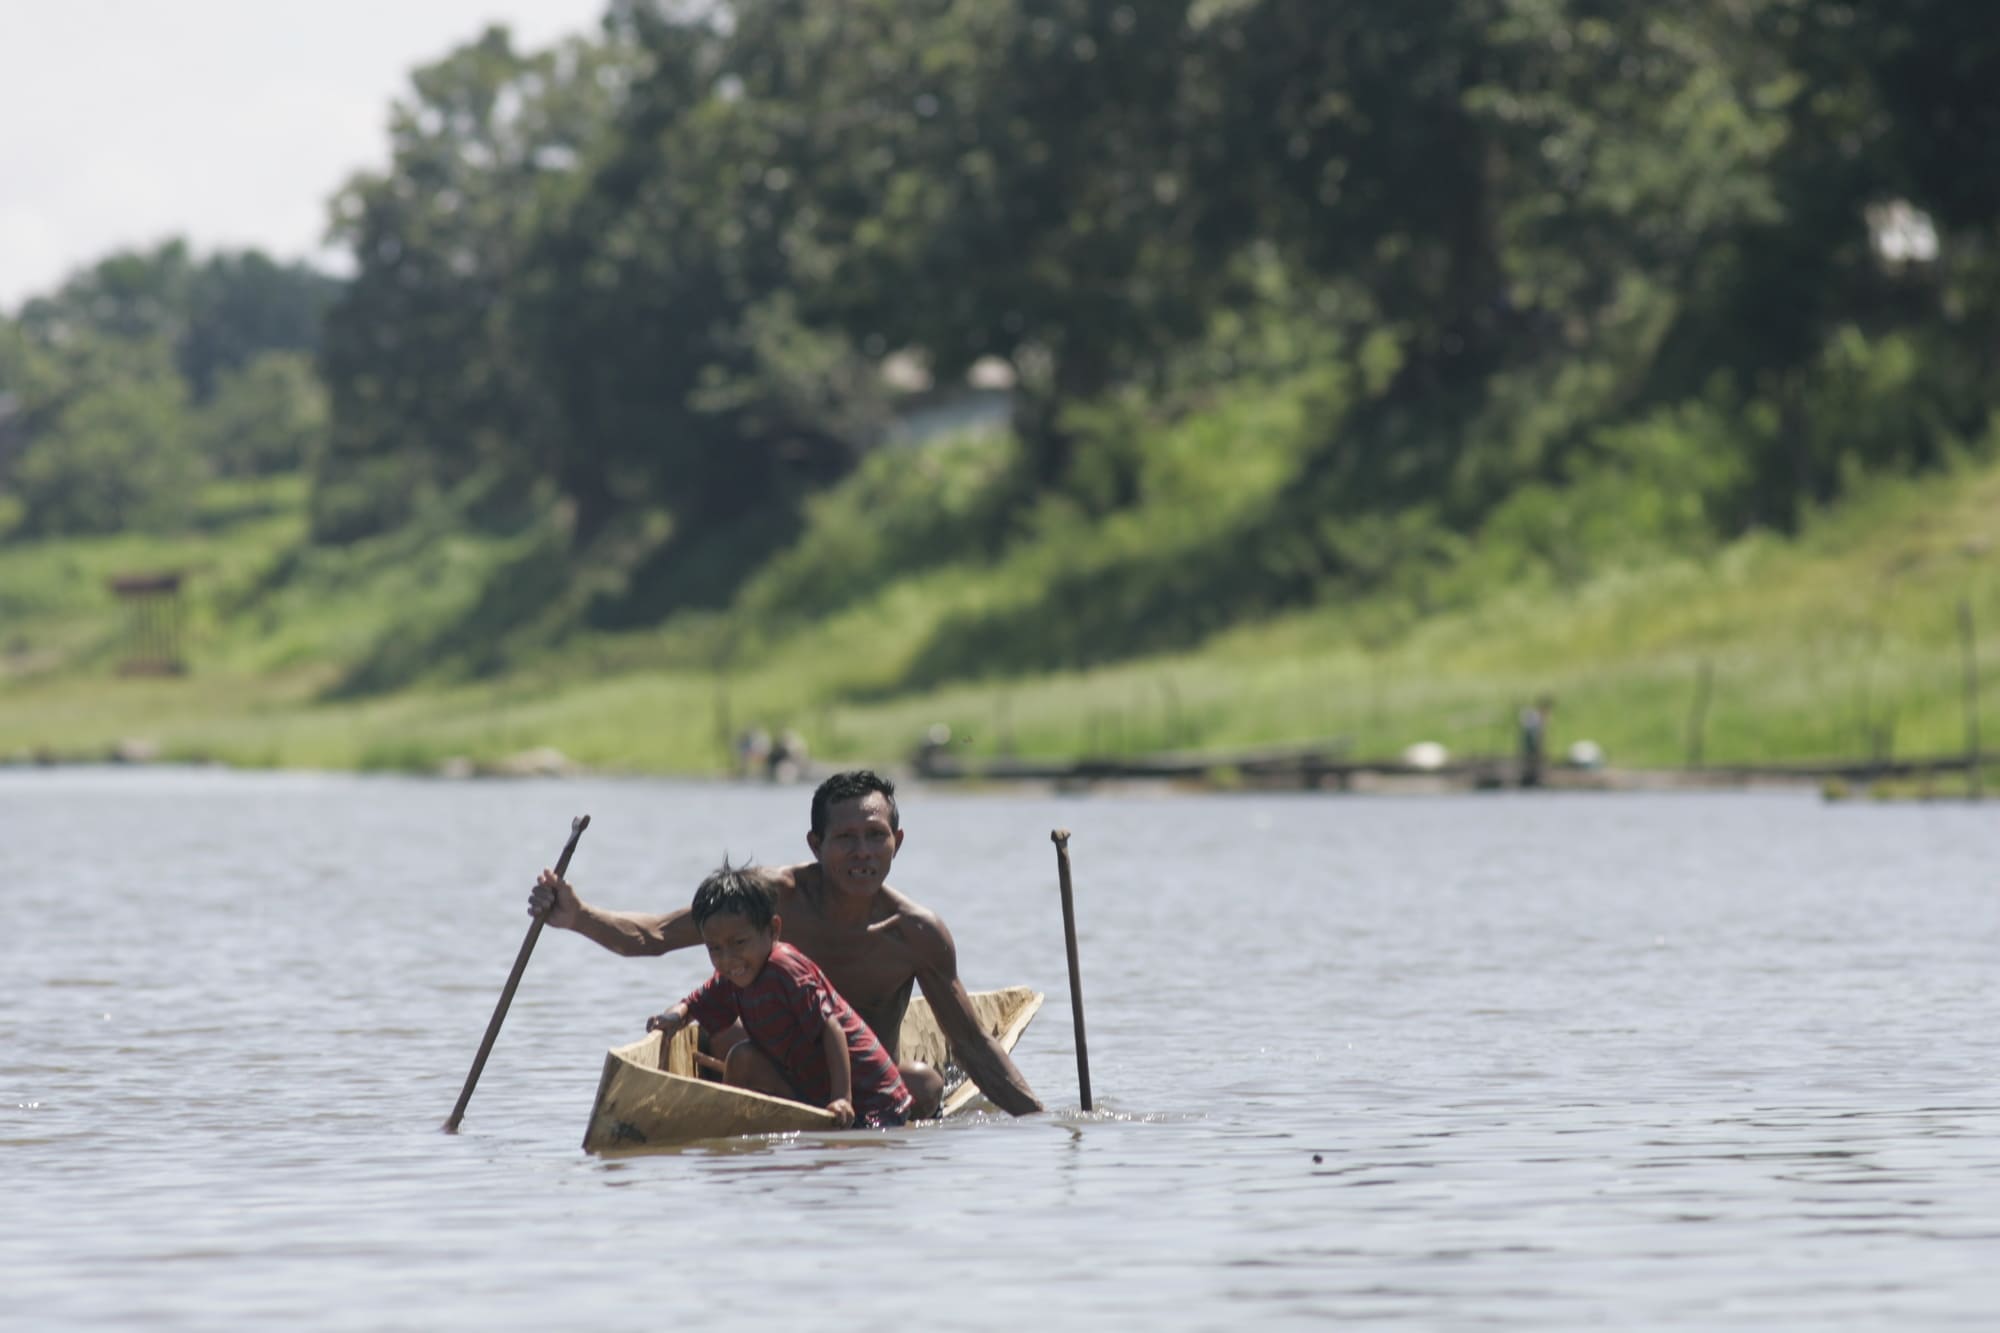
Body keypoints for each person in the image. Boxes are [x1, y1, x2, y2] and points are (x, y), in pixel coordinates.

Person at [530, 769, 1042, 1118]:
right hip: (772, 1083)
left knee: (926, 1086)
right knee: (745, 1054)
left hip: (861, 1095)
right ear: (815, 845)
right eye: (845, 839)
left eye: (875, 836)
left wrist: (1044, 1122)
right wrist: (578, 916)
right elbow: (656, 936)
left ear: (897, 842)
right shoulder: (768, 899)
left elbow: (973, 1045)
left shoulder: (915, 932)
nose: (862, 853)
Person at [648, 861, 912, 1129]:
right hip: (814, 1088)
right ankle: (730, 1123)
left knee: (744, 1056)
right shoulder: (734, 975)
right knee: (742, 1056)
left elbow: (831, 1029)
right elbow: (692, 1004)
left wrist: (842, 1098)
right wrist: (671, 1018)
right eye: (715, 948)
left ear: (773, 930)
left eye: (739, 943)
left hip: (872, 1100)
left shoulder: (784, 968)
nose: (728, 959)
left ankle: (733, 1124)